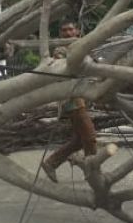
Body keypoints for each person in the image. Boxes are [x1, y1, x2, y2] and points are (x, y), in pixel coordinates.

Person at [41, 20, 98, 182]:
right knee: (90, 137)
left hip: (81, 95)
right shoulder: (60, 50)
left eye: (70, 29)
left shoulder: (81, 46)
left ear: (77, 31)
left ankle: (51, 162)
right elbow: (63, 67)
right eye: (64, 30)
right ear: (60, 34)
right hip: (71, 98)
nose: (67, 33)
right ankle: (93, 171)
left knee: (80, 139)